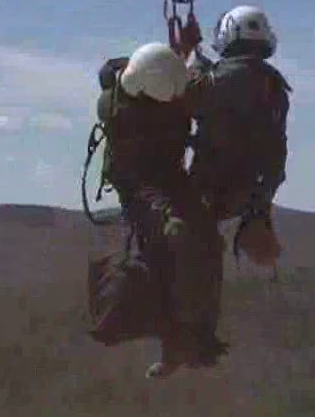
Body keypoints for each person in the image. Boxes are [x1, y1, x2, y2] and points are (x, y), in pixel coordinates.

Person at [93, 42, 227, 378]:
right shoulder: (117, 111)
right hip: (140, 185)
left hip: (168, 177)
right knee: (171, 246)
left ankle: (193, 340)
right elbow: (140, 180)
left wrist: (188, 53)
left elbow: (179, 82)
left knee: (205, 242)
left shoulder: (151, 83)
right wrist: (166, 213)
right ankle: (181, 342)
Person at [187, 4, 291, 267]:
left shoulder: (222, 80)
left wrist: (193, 66)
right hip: (253, 192)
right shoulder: (274, 85)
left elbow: (191, 99)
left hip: (214, 188)